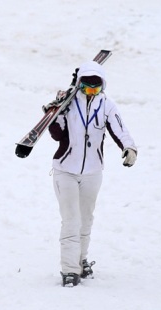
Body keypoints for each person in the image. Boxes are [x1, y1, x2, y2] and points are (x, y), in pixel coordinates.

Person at [48, 61, 138, 287]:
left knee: (86, 220)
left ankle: (81, 260)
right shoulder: (68, 104)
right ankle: (70, 270)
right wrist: (54, 111)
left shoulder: (106, 105)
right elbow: (56, 134)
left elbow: (120, 129)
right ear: (79, 85)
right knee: (71, 220)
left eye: (95, 89)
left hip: (93, 172)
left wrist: (129, 148)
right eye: (86, 88)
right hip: (65, 170)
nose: (90, 93)